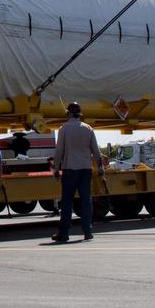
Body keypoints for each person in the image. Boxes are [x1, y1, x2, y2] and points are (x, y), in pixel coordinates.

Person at [51, 102, 104, 243]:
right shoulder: (88, 128)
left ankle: (64, 233)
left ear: (68, 113)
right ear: (79, 114)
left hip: (70, 169)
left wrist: (56, 168)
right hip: (85, 169)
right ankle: (88, 231)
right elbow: (96, 151)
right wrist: (100, 167)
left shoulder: (64, 129)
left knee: (67, 202)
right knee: (86, 200)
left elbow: (59, 151)